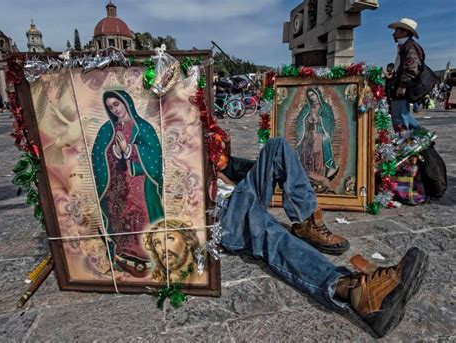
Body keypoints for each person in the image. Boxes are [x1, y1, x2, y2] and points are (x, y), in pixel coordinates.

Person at [217, 137, 428, 338]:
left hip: (235, 193)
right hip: (220, 214)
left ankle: (306, 222)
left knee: (278, 146)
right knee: (269, 232)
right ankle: (351, 290)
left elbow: (224, 170)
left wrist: (223, 166)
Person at [92, 90, 163, 277]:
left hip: (140, 184)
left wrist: (129, 149)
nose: (114, 109)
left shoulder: (143, 127)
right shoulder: (107, 130)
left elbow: (154, 156)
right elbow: (99, 156)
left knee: (141, 218)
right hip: (116, 185)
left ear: (126, 102)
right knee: (119, 219)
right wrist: (113, 153)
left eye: (117, 104)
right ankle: (123, 255)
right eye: (110, 107)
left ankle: (148, 255)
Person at [388, 18, 425, 131]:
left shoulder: (410, 46)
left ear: (404, 32)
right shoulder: (405, 46)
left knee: (400, 117)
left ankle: (407, 142)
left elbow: (411, 67)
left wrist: (403, 85)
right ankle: (422, 138)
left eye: (396, 31)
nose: (393, 34)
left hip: (403, 87)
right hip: (400, 85)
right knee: (403, 116)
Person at [143, 219, 207, 284]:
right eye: (157, 243)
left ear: (188, 241)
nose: (163, 248)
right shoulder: (154, 283)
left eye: (170, 238)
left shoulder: (206, 279)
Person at [295, 87, 338, 180]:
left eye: (313, 95)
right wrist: (308, 120)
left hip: (321, 134)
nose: (312, 98)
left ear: (317, 94)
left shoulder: (325, 107)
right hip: (309, 133)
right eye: (309, 96)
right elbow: (300, 121)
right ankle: (307, 172)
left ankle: (320, 173)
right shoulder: (307, 108)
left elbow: (330, 122)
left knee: (318, 146)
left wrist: (320, 119)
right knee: (305, 145)